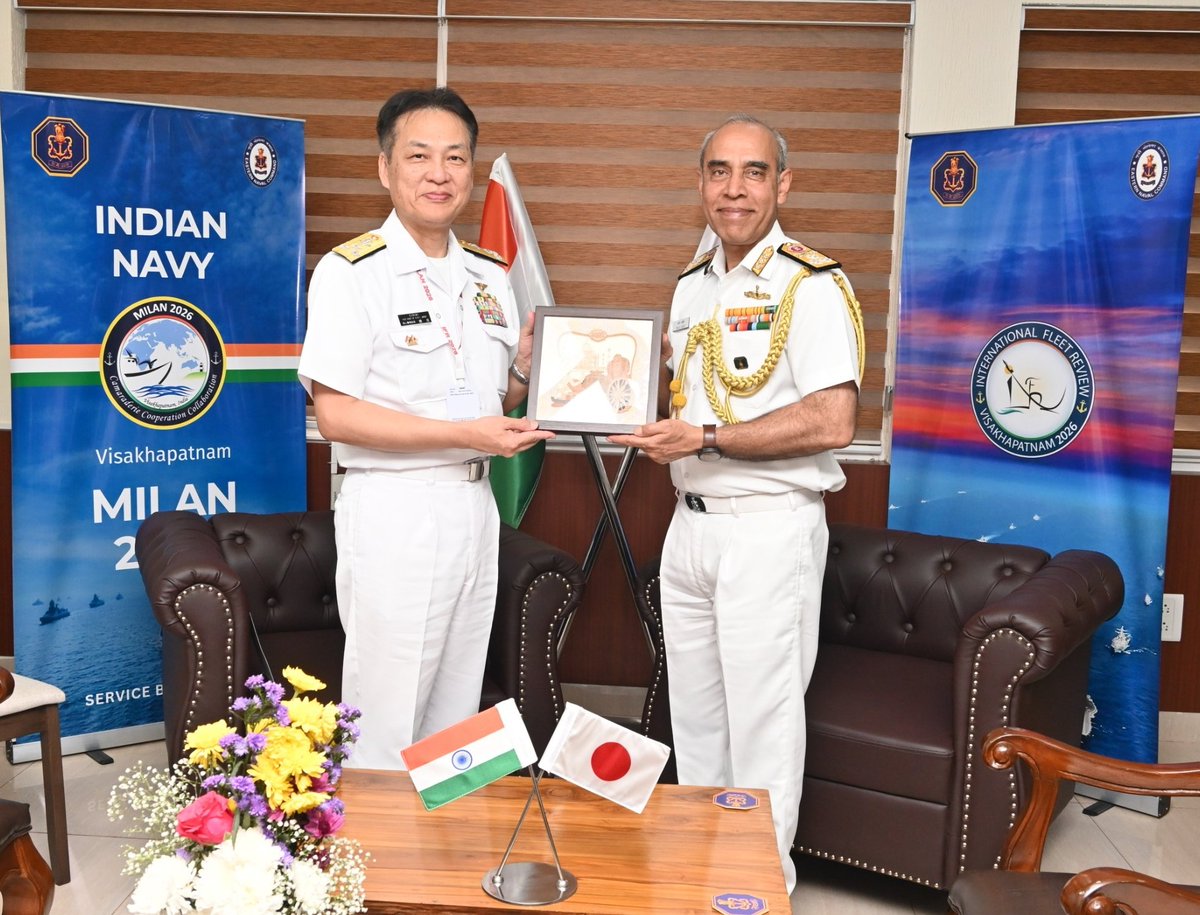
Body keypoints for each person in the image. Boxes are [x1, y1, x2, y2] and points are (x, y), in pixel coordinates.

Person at [610, 114, 864, 893]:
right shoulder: (691, 288)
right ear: (701, 184)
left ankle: (757, 889)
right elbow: (680, 395)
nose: (734, 188)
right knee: (699, 720)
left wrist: (708, 438)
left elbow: (833, 420)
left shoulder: (812, 283)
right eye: (719, 171)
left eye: (754, 172)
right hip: (691, 531)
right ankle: (702, 877)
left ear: (782, 185)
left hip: (768, 530)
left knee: (762, 725)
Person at [297, 87, 553, 769]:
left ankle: (435, 862)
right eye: (419, 156)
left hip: (474, 504)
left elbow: (498, 397)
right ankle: (374, 872)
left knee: (455, 711)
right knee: (387, 715)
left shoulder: (488, 275)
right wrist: (466, 435)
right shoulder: (353, 276)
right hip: (395, 508)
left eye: (455, 158)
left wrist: (526, 372)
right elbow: (337, 414)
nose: (439, 173)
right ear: (386, 168)